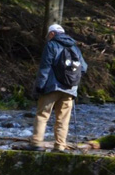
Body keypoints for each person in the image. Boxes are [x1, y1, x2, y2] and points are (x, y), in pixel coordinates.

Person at [29, 24, 87, 152]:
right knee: (63, 119)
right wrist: (72, 81)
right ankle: (60, 146)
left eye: (48, 35)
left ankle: (36, 143)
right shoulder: (75, 47)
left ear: (52, 34)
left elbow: (45, 68)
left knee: (42, 115)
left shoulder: (51, 45)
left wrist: (39, 87)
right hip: (70, 89)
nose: (48, 38)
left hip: (51, 87)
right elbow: (83, 68)